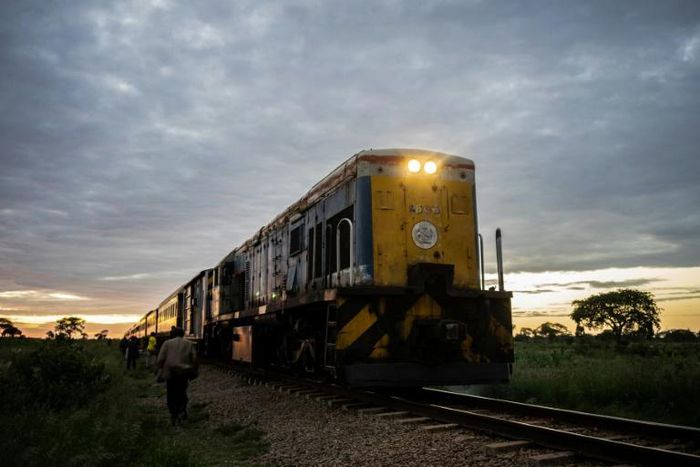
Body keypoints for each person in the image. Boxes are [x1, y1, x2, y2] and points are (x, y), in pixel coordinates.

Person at [157, 327, 198, 426]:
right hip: (183, 372)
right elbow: (195, 358)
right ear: (183, 334)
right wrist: (194, 371)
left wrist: (159, 369)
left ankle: (173, 414)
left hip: (170, 373)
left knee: (171, 393)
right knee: (182, 391)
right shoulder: (189, 344)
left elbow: (161, 358)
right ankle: (182, 409)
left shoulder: (167, 343)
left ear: (172, 334)